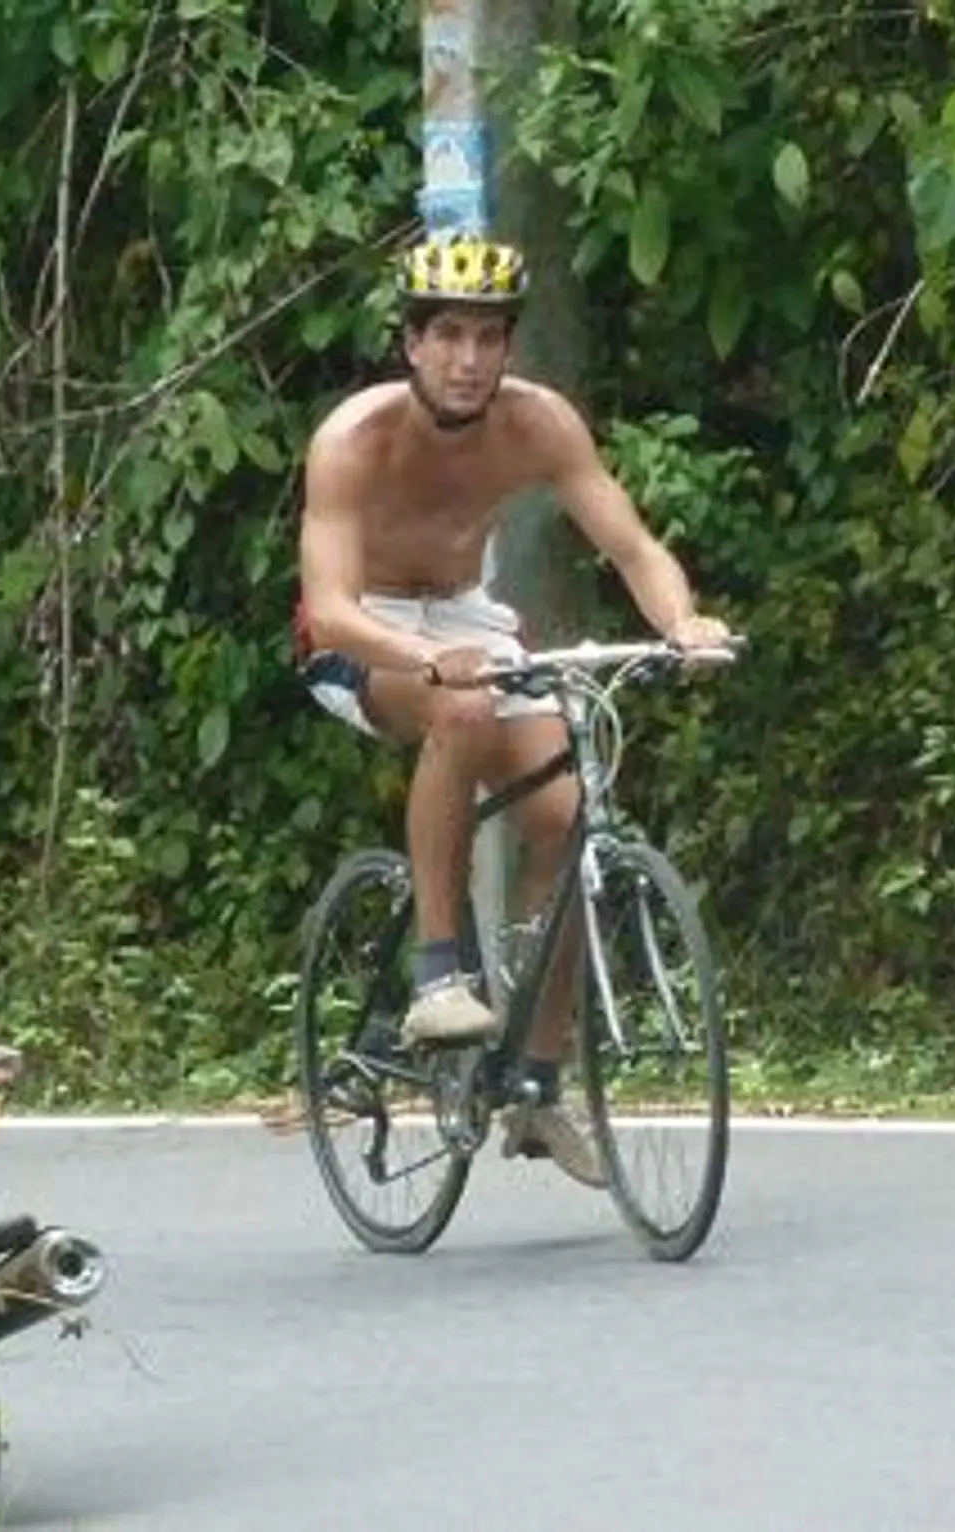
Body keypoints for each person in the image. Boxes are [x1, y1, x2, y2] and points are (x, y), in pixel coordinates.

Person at [295, 231, 734, 1189]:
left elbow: (630, 545)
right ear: (410, 343)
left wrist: (682, 621)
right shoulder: (353, 439)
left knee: (572, 817)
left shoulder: (540, 425)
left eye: (488, 337)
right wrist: (424, 659)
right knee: (461, 712)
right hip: (361, 632)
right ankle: (438, 972)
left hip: (465, 618)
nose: (468, 358)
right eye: (447, 334)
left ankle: (537, 1083)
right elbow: (326, 605)